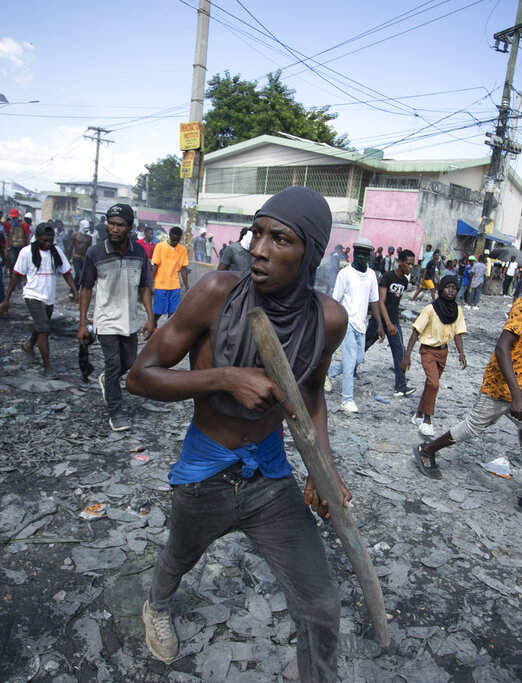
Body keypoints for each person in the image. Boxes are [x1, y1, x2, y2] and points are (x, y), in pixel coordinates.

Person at [125, 186, 349, 678]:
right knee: (179, 555)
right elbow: (138, 377)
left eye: (281, 239)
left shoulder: (328, 320)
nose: (260, 249)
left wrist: (323, 468)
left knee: (321, 605)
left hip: (270, 474)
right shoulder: (215, 293)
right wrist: (223, 378)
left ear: (309, 252)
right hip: (206, 468)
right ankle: (157, 605)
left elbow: (311, 394)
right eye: (258, 233)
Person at [415, 254, 522, 522]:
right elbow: (502, 347)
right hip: (503, 382)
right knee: (473, 426)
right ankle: (427, 450)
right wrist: (516, 396)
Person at [78, 204, 155, 431]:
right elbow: (86, 288)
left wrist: (151, 318)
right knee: (113, 363)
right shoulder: (95, 253)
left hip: (129, 319)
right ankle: (116, 412)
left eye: (120, 225)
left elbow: (145, 286)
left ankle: (107, 380)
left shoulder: (140, 253)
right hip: (105, 319)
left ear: (130, 228)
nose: (114, 229)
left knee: (129, 363)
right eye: (111, 223)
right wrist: (83, 323)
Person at [1, 223, 77, 376]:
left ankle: (28, 345)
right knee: (44, 329)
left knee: (42, 325)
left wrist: (75, 292)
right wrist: (6, 299)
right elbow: (16, 275)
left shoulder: (56, 252)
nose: (47, 244)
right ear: (36, 238)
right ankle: (47, 368)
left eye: (50, 240)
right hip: (33, 295)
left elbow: (66, 273)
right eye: (44, 240)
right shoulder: (26, 252)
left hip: (48, 297)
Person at [402, 275, 467, 437]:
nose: (451, 291)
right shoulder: (431, 309)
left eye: (454, 288)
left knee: (431, 385)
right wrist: (407, 355)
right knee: (434, 383)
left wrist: (461, 353)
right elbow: (416, 331)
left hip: (443, 352)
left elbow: (458, 333)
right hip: (428, 350)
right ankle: (427, 421)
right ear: (441, 289)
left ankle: (418, 414)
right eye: (448, 287)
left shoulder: (457, 310)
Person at [326, 237, 383, 413]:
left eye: (364, 254)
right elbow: (335, 301)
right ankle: (347, 400)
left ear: (369, 256)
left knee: (358, 359)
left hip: (362, 324)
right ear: (353, 254)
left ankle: (329, 372)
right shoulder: (345, 274)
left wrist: (379, 325)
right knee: (350, 362)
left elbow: (374, 301)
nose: (360, 257)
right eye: (358, 254)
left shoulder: (372, 275)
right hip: (347, 323)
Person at [379, 249, 416, 397]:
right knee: (362, 348)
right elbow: (381, 302)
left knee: (399, 351)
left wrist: (393, 323)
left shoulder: (404, 281)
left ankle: (400, 387)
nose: (411, 267)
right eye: (408, 264)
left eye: (412, 264)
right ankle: (338, 372)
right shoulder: (387, 277)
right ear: (400, 262)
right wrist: (387, 323)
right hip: (380, 321)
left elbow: (395, 303)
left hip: (394, 321)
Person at [150, 226, 189, 326]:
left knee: (172, 312)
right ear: (169, 236)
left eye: (177, 240)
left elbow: (183, 269)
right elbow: (155, 266)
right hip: (161, 285)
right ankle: (152, 324)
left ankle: (167, 330)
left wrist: (186, 286)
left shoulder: (182, 250)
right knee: (158, 311)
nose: (175, 242)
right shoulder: (160, 247)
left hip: (175, 286)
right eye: (173, 239)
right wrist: (150, 282)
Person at [5, 208, 30, 273]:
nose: (13, 219)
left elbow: (27, 237)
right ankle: (12, 277)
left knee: (21, 263)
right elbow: (7, 237)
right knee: (12, 262)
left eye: (15, 217)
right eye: (12, 217)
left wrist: (27, 248)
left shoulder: (24, 225)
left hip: (22, 247)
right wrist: (6, 248)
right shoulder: (8, 225)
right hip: (12, 247)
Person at [68, 219, 93, 285]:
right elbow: (70, 247)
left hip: (84, 258)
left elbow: (90, 249)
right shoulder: (75, 235)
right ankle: (73, 290)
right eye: (85, 228)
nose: (86, 230)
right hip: (76, 257)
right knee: (78, 275)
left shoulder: (89, 237)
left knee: (82, 276)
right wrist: (68, 259)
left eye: (87, 228)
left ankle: (75, 290)